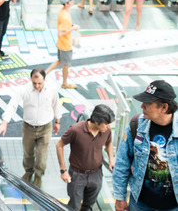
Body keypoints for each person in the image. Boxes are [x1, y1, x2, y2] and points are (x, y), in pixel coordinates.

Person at [113, 80, 178, 211]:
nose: (142, 106)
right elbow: (122, 162)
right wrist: (120, 197)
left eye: (148, 103)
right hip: (140, 204)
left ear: (164, 107)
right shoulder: (136, 125)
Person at [0, 68, 60, 187]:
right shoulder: (24, 89)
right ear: (31, 79)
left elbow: (56, 104)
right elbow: (13, 105)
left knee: (41, 155)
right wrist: (4, 123)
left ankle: (38, 176)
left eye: (39, 83)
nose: (37, 86)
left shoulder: (52, 89)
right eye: (34, 83)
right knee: (28, 153)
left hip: (45, 127)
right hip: (28, 127)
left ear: (44, 79)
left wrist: (58, 121)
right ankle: (28, 172)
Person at [56, 104, 115, 210]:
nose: (108, 127)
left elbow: (109, 143)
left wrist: (111, 158)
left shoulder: (106, 131)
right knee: (74, 205)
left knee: (88, 206)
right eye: (106, 124)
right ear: (97, 122)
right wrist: (63, 170)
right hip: (77, 175)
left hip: (96, 174)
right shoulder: (75, 130)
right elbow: (59, 145)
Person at [46, 0, 80, 89]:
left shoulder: (62, 11)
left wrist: (71, 26)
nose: (73, 1)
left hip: (61, 43)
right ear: (66, 4)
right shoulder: (65, 16)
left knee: (59, 61)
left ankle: (45, 74)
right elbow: (60, 33)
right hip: (65, 44)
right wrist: (73, 28)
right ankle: (64, 83)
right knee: (66, 65)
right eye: (71, 0)